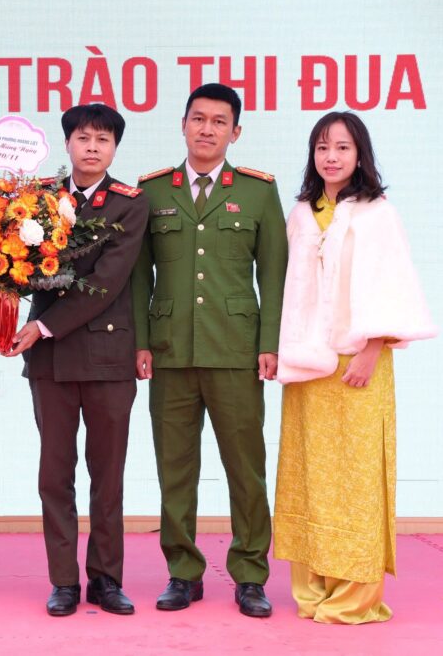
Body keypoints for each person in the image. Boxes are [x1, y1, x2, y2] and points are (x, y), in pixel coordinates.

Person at [274, 112, 436, 624]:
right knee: (308, 474)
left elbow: (394, 285)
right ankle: (312, 589)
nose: (332, 157)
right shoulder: (301, 213)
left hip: (359, 361)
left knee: (356, 478)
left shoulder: (377, 213)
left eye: (342, 147)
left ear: (360, 154)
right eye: (322, 147)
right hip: (308, 364)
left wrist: (372, 349)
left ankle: (354, 596)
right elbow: (290, 289)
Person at [131, 83, 287, 617]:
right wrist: (141, 341)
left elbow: (274, 275)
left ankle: (250, 574)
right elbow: (138, 277)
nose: (207, 129)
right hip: (170, 351)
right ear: (183, 124)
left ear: (235, 132)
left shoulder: (259, 192)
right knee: (175, 469)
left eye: (219, 122)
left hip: (236, 351)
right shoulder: (152, 191)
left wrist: (269, 343)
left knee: (246, 469)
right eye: (198, 119)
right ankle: (183, 572)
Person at [5, 104, 148, 617]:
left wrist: (42, 326)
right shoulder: (37, 199)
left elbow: (106, 282)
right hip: (51, 363)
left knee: (107, 477)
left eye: (102, 140)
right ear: (67, 143)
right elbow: (16, 269)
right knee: (55, 474)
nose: (92, 147)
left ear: (114, 148)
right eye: (83, 138)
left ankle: (107, 579)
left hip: (107, 358)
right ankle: (63, 580)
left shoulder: (130, 204)